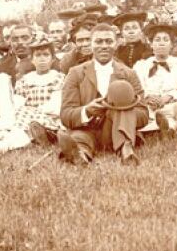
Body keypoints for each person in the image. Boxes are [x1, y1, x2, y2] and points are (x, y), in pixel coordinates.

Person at [58, 23, 148, 165]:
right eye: (98, 41)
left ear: (116, 44)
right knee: (79, 138)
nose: (104, 46)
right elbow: (65, 114)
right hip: (86, 129)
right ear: (91, 44)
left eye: (109, 41)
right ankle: (80, 154)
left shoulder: (129, 74)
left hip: (116, 129)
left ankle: (126, 150)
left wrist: (120, 110)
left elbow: (143, 114)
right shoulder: (75, 73)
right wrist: (86, 111)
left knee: (120, 88)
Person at [133, 22, 177, 133]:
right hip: (149, 107)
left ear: (171, 44)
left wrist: (169, 96)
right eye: (157, 40)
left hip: (172, 105)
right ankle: (162, 127)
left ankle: (170, 126)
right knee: (142, 115)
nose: (161, 43)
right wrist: (147, 97)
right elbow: (136, 88)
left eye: (165, 40)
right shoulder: (141, 66)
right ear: (151, 44)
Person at [14, 37, 66, 146]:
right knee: (19, 117)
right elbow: (18, 102)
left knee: (48, 122)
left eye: (46, 55)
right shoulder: (25, 80)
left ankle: (46, 134)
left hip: (49, 115)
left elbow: (56, 104)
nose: (42, 59)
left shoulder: (58, 78)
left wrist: (37, 111)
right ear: (32, 60)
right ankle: (30, 136)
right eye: (38, 55)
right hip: (27, 115)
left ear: (52, 59)